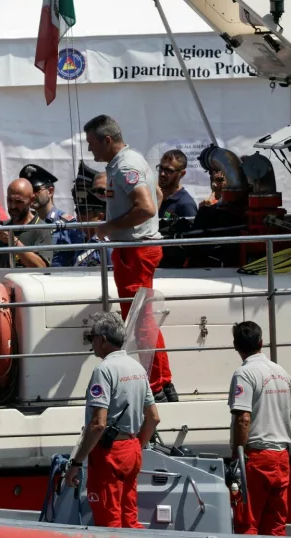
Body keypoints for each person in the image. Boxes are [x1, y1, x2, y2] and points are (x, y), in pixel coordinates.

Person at [85, 115, 176, 402]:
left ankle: (159, 385)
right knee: (139, 316)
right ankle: (160, 382)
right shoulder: (128, 161)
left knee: (140, 319)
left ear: (107, 140)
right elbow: (157, 195)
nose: (90, 151)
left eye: (92, 144)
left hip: (135, 251)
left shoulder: (125, 165)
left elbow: (147, 207)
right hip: (135, 248)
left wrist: (111, 226)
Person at [64, 311, 161, 528]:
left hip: (109, 455)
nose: (92, 344)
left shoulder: (104, 370)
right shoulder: (138, 368)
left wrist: (76, 463)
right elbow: (153, 418)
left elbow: (98, 424)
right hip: (132, 449)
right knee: (129, 518)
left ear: (103, 340)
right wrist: (137, 445)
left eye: (92, 338)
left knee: (108, 521)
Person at [228, 321, 291, 536]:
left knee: (247, 522)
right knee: (276, 525)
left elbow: (243, 418)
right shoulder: (283, 373)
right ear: (261, 342)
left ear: (236, 346)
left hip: (256, 458)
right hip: (282, 456)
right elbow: (289, 415)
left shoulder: (244, 374)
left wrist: (237, 454)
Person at [18, 164, 83, 266]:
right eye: (28, 192)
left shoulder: (69, 225)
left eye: (35, 190)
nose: (31, 195)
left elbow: (79, 261)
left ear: (50, 191)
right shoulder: (24, 223)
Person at [0, 179, 51, 268]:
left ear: (31, 200)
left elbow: (41, 267)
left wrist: (14, 242)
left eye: (19, 202)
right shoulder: (2, 229)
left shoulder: (41, 228)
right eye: (10, 200)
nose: (13, 206)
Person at [157, 150, 198, 221]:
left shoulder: (185, 204)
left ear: (182, 174)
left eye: (169, 170)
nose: (162, 174)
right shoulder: (156, 196)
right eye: (161, 168)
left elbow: (193, 231)